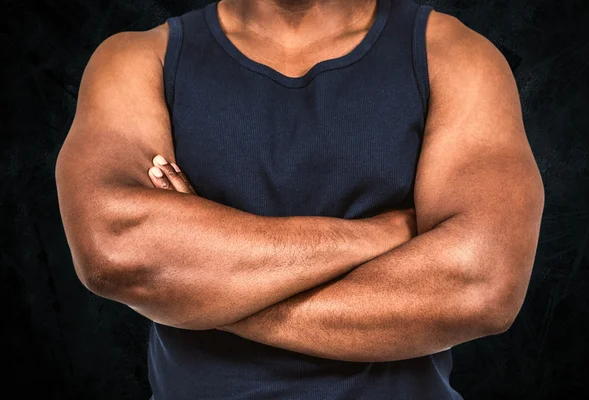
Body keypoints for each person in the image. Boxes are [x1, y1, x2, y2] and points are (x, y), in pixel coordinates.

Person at [55, 0, 545, 398]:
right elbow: (116, 251)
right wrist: (389, 233)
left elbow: (480, 285)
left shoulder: (454, 55)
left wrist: (196, 288)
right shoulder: (139, 59)